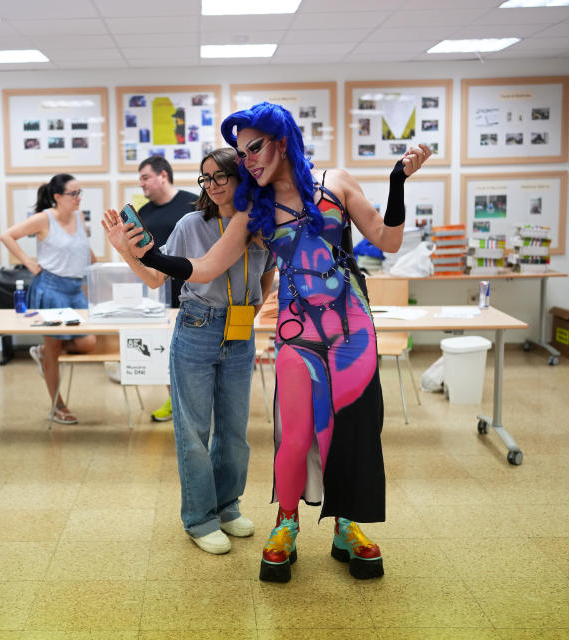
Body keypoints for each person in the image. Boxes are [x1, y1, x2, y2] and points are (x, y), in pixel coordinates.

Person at [121, 102, 431, 582]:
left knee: (349, 433)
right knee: (295, 433)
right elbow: (205, 268)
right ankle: (286, 523)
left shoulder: (338, 183)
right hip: (296, 333)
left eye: (255, 148)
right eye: (242, 153)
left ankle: (346, 526)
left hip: (353, 329)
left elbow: (387, 241)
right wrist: (153, 258)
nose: (248, 160)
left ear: (282, 140)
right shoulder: (254, 210)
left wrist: (397, 182)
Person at [102, 148, 276, 555]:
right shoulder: (190, 224)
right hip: (197, 327)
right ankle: (199, 518)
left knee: (234, 432)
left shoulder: (260, 225)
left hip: (240, 330)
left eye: (220, 177)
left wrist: (253, 308)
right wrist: (124, 248)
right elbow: (152, 277)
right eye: (206, 179)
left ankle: (227, 507)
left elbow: (268, 273)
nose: (212, 186)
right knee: (195, 433)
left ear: (242, 178)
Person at [0, 173, 99, 425]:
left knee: (88, 341)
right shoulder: (44, 219)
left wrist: (94, 264)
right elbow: (7, 236)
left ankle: (43, 352)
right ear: (57, 197)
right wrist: (29, 263)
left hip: (75, 289)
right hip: (51, 289)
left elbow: (83, 247)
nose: (78, 198)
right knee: (55, 349)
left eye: (80, 193)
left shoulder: (78, 216)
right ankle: (58, 405)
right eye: (73, 194)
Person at [136, 155, 199, 422]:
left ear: (163, 175)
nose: (142, 184)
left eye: (145, 177)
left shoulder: (192, 203)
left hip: (196, 287)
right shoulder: (144, 213)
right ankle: (174, 401)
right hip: (159, 291)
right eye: (140, 180)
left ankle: (198, 402)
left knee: (195, 351)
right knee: (168, 349)